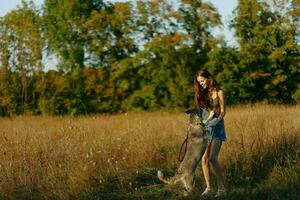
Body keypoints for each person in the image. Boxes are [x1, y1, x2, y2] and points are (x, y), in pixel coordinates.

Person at [194, 69, 227, 197]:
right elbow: (201, 111)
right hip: (206, 127)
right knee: (204, 159)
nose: (201, 83)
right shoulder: (202, 93)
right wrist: (202, 122)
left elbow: (223, 111)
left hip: (217, 127)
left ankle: (221, 188)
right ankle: (209, 188)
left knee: (213, 157)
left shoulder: (220, 92)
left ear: (208, 78)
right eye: (199, 82)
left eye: (202, 81)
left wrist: (216, 121)